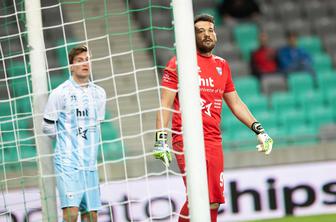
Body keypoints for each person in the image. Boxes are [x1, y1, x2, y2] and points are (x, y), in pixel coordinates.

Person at [153, 14, 273, 222]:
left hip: (213, 140)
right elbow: (165, 103)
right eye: (200, 31)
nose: (207, 34)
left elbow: (236, 103)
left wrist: (260, 131)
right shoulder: (179, 63)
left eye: (210, 30)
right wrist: (160, 139)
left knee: (214, 201)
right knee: (198, 198)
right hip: (187, 139)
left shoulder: (222, 65)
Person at [42, 45, 106, 222]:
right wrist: (66, 137)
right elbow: (47, 127)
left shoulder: (99, 94)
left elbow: (96, 124)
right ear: (71, 65)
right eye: (80, 61)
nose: (85, 64)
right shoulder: (59, 93)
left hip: (90, 163)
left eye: (87, 60)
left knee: (91, 215)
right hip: (68, 162)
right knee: (71, 213)